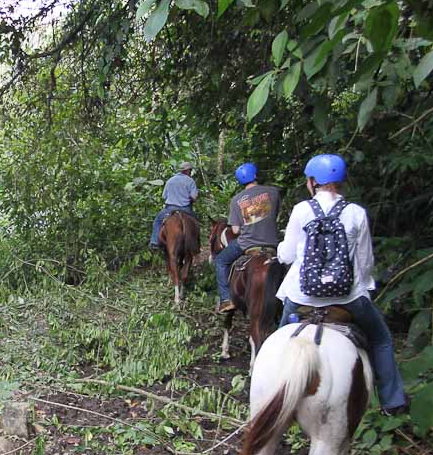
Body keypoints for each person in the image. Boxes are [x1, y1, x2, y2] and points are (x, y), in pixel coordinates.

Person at [275, 153, 409, 415]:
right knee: (381, 339)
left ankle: (273, 393)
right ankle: (393, 402)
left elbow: (288, 255)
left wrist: (280, 251)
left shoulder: (301, 210)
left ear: (313, 181)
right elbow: (365, 261)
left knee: (278, 340)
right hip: (348, 298)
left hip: (302, 298)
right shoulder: (356, 213)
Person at [214, 162, 281, 313]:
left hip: (247, 244)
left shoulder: (236, 200)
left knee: (220, 261)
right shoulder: (273, 192)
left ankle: (226, 300)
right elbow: (274, 216)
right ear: (255, 175)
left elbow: (236, 230)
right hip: (272, 243)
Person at [149, 161, 199, 250]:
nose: (190, 173)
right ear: (187, 171)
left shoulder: (170, 180)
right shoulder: (190, 181)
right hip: (186, 209)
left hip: (170, 208)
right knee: (196, 224)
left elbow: (164, 196)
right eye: (190, 171)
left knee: (157, 221)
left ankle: (154, 242)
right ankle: (196, 245)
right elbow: (194, 197)